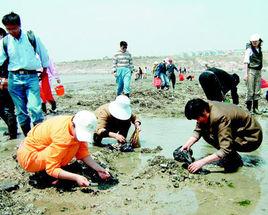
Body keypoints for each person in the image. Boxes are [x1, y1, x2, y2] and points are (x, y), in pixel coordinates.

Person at [17, 110, 111, 186]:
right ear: (74, 125)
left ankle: (54, 171)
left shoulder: (74, 123)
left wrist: (98, 168)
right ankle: (45, 175)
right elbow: (52, 168)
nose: (80, 137)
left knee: (75, 143)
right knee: (70, 145)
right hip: (29, 158)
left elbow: (83, 152)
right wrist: (76, 177)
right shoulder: (62, 136)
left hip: (41, 150)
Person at [0, 12, 49, 136]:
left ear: (19, 25)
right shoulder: (5, 42)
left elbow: (43, 53)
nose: (11, 31)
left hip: (31, 77)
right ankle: (28, 137)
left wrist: (45, 70)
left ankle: (39, 136)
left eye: (14, 28)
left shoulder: (31, 37)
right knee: (21, 112)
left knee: (35, 108)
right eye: (8, 29)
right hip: (14, 79)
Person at [181, 98, 262, 173]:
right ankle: (232, 156)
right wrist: (187, 145)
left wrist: (201, 162)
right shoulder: (204, 106)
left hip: (252, 138)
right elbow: (199, 130)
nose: (197, 121)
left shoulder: (220, 117)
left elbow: (225, 149)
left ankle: (234, 160)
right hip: (239, 130)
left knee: (210, 136)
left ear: (204, 112)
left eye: (197, 118)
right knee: (206, 131)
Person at [0, 27, 17, 139]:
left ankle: (13, 134)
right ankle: (13, 132)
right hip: (11, 80)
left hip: (4, 80)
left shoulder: (4, 49)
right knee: (8, 107)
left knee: (5, 108)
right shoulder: (10, 47)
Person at [243, 34, 263, 114]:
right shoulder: (249, 50)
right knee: (250, 90)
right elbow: (246, 62)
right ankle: (248, 109)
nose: (254, 43)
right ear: (251, 42)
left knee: (257, 90)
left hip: (258, 71)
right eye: (253, 42)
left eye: (256, 41)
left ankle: (255, 108)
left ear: (259, 41)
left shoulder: (259, 49)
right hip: (251, 71)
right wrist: (245, 74)